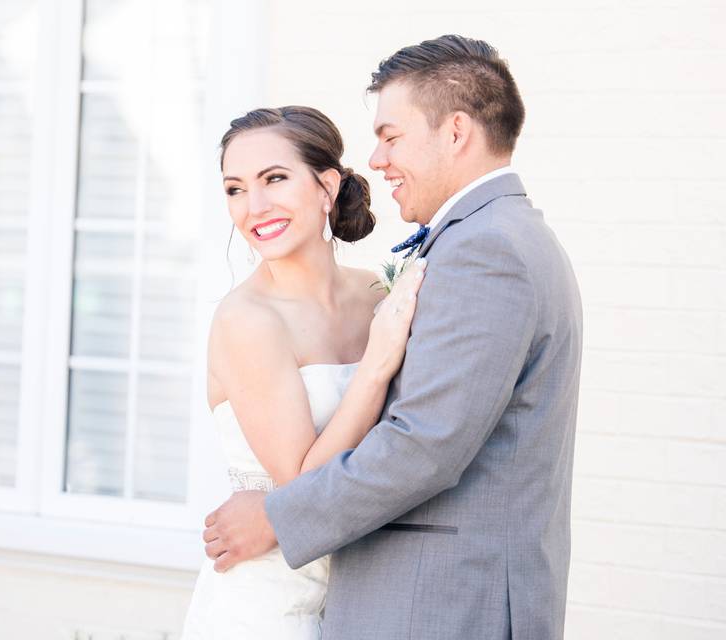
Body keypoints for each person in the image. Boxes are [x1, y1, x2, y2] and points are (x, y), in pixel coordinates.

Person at [202, 35, 583, 640]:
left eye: (391, 136)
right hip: (295, 595)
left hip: (445, 597)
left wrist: (277, 516)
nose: (376, 160)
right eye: (233, 187)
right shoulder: (474, 242)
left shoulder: (480, 251)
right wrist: (376, 366)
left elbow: (422, 445)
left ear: (456, 132)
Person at [181, 106, 427, 639]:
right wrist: (378, 363)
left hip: (363, 592)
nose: (255, 206)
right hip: (267, 606)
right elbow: (302, 485)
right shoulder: (246, 320)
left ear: (326, 186)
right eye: (235, 189)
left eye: (274, 179)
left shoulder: (377, 295)